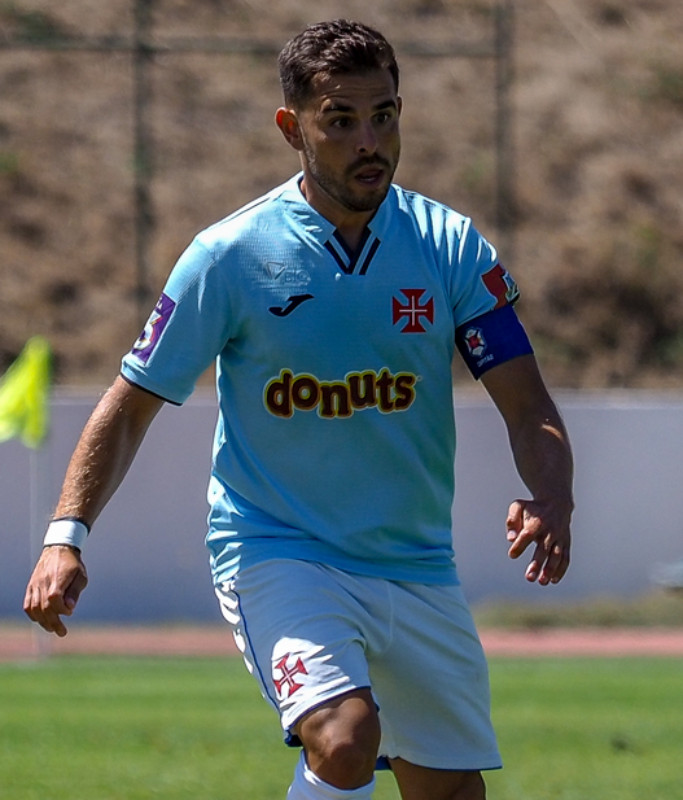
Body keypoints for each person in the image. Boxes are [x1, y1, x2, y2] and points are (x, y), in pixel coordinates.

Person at [24, 19, 573, 800]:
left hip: (414, 562)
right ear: (292, 128)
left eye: (383, 115)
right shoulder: (231, 255)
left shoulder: (449, 247)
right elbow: (131, 403)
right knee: (345, 738)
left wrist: (553, 494)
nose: (368, 140)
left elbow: (528, 404)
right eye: (340, 120)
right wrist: (65, 536)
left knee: (449, 792)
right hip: (278, 550)